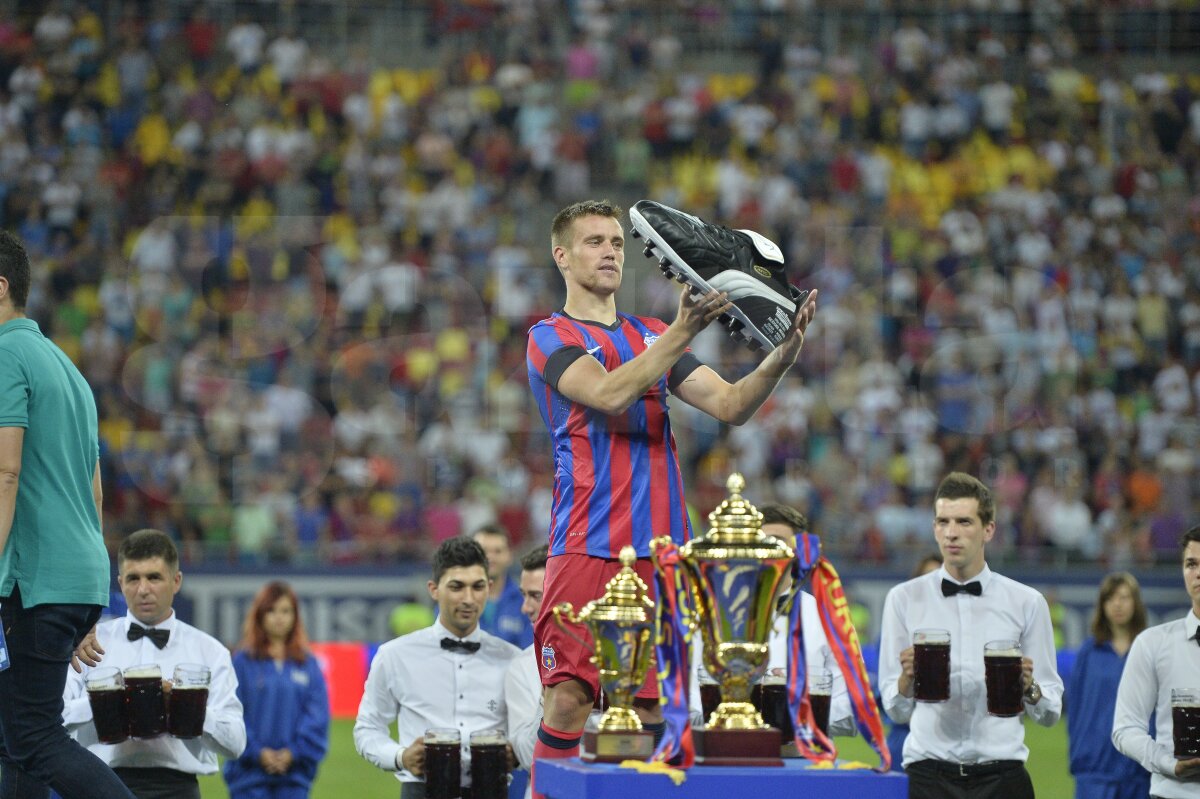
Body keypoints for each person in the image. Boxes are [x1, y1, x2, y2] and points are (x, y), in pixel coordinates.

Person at [524, 199, 818, 778]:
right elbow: (608, 394)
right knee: (570, 698)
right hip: (586, 544)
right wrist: (681, 333)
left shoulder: (650, 333)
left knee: (654, 709)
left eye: (615, 242)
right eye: (594, 242)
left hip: (665, 553)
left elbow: (731, 405)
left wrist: (782, 358)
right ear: (561, 256)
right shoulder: (547, 336)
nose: (609, 251)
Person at [0, 230, 138, 799]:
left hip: (34, 575)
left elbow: (5, 472)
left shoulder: (6, 354)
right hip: (76, 571)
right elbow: (95, 490)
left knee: (32, 738)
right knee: (15, 739)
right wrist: (87, 593)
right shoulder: (68, 369)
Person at [878, 472, 1063, 799]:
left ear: (988, 529)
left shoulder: (1027, 602)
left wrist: (1029, 688)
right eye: (943, 522)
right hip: (928, 775)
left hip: (1002, 777)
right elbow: (896, 710)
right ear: (934, 527)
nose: (951, 533)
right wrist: (907, 681)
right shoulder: (903, 599)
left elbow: (1049, 713)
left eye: (964, 522)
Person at [61, 529, 247, 799]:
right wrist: (103, 700)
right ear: (120, 582)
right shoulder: (88, 644)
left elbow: (236, 743)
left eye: (154, 577)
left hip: (178, 789)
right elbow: (54, 718)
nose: (143, 589)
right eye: (134, 578)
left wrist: (186, 704)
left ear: (176, 580)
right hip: (100, 785)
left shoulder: (210, 652)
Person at [354, 536, 520, 799]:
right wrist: (400, 756)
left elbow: (533, 730)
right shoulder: (395, 656)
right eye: (457, 587)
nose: (469, 598)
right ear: (433, 589)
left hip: (493, 791)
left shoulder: (513, 659)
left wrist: (518, 752)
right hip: (421, 791)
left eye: (477, 587)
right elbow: (368, 728)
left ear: (489, 588)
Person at [687, 504, 854, 737]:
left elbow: (850, 706)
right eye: (758, 541)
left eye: (776, 542)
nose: (764, 550)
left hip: (802, 759)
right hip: (724, 751)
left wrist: (797, 713)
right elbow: (689, 696)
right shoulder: (711, 615)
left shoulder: (827, 617)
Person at [1112, 528, 1200, 797]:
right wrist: (1169, 764)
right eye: (1191, 563)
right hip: (1173, 793)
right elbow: (1125, 728)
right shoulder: (1153, 644)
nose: (1198, 572)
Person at [223, 581, 330, 799]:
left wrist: (294, 753)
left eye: (285, 611)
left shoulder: (307, 664)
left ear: (295, 616)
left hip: (294, 780)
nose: (279, 617)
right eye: (271, 610)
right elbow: (231, 714)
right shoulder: (243, 662)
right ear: (260, 615)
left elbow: (317, 717)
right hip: (247, 781)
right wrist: (257, 753)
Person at [1069, 572, 1149, 799]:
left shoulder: (1149, 651)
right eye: (1111, 598)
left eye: (1125, 597)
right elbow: (1076, 710)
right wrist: (1079, 754)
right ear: (1102, 604)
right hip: (1094, 773)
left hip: (1138, 772)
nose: (1118, 604)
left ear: (1136, 603)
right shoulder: (1089, 652)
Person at [885, 553, 944, 772]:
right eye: (926, 578)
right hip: (904, 739)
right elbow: (885, 696)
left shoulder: (963, 632)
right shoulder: (898, 630)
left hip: (950, 745)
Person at [504, 544, 548, 799]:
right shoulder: (521, 667)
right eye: (523, 595)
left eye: (536, 596)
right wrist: (553, 694)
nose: (525, 607)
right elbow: (526, 753)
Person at [474, 523, 533, 648]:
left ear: (509, 555)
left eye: (497, 551)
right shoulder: (455, 599)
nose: (490, 557)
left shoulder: (526, 601)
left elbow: (530, 653)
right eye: (483, 551)